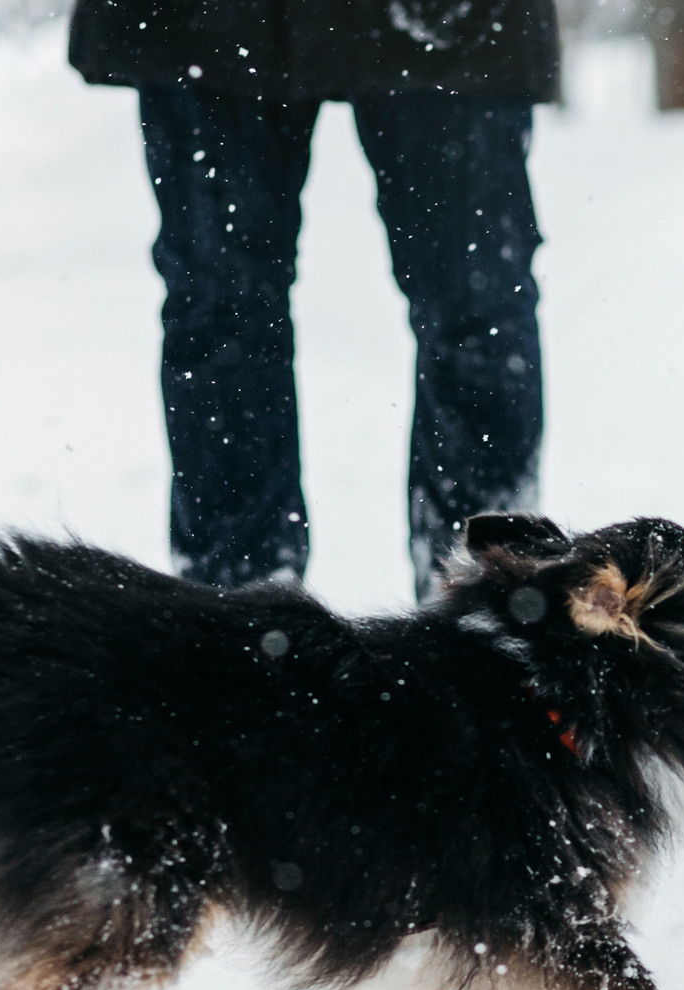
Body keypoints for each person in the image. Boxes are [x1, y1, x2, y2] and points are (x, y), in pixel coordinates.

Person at [68, 0, 559, 597]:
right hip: (205, 22)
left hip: (456, 22)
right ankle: (241, 615)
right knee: (221, 307)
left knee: (476, 307)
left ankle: (489, 610)